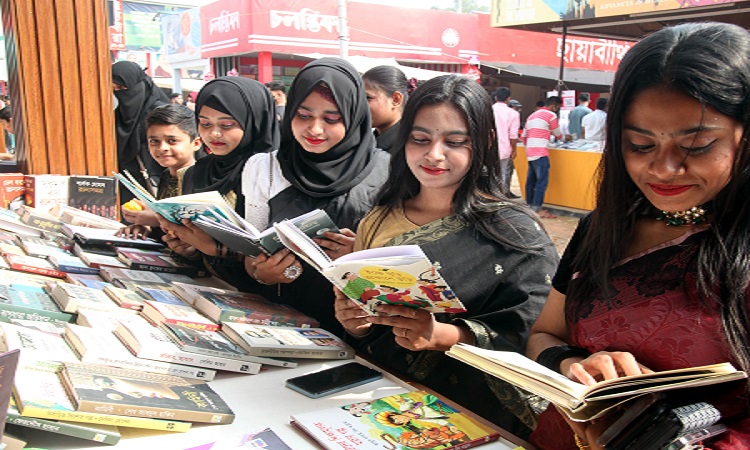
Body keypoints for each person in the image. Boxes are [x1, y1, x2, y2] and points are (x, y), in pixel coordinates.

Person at [526, 22, 750, 449]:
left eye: (698, 145)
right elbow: (543, 334)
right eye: (640, 145)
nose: (664, 169)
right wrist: (576, 363)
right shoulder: (602, 228)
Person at [333, 75, 559, 438]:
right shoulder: (379, 217)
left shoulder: (515, 232)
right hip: (375, 402)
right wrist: (354, 322)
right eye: (420, 139)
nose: (433, 155)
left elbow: (534, 335)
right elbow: (369, 322)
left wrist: (444, 335)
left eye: (454, 142)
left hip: (466, 418)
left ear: (483, 143)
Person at [241, 57, 390, 334]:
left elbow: (394, 270)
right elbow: (252, 251)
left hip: (355, 330)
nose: (315, 129)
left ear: (355, 115)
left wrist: (360, 257)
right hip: (281, 322)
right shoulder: (266, 168)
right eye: (304, 115)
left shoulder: (387, 173)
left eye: (331, 118)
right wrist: (261, 273)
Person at [158, 76, 279, 280]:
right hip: (211, 287)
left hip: (265, 297)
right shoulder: (196, 173)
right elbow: (198, 251)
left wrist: (218, 249)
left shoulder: (272, 174)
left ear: (254, 123)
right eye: (205, 123)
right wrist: (189, 248)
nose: (213, 134)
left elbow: (278, 254)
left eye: (227, 125)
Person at [117, 104, 201, 240]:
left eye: (172, 141)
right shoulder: (166, 176)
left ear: (196, 143)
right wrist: (146, 228)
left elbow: (202, 230)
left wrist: (157, 219)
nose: (162, 148)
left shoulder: (202, 180)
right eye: (154, 141)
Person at [112, 60, 170, 203]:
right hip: (127, 189)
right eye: (115, 89)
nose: (120, 94)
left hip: (159, 187)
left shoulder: (161, 114)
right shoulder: (116, 115)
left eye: (124, 88)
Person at [521, 96, 564, 219]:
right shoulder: (551, 115)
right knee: (541, 182)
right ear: (554, 106)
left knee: (531, 180)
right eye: (558, 107)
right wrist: (564, 137)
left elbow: (524, 136)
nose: (557, 110)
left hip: (530, 152)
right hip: (541, 152)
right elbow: (558, 134)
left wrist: (529, 147)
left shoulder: (532, 115)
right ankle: (537, 207)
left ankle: (529, 204)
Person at [362, 65, 409, 155]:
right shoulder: (370, 141)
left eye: (367, 98)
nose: (360, 105)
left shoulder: (407, 146)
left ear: (396, 100)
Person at [492, 87, 520, 198]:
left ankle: (489, 195)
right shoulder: (513, 114)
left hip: (488, 148)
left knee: (489, 173)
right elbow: (513, 135)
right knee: (503, 173)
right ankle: (501, 197)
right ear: (508, 99)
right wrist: (514, 149)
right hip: (504, 149)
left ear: (495, 97)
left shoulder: (487, 110)